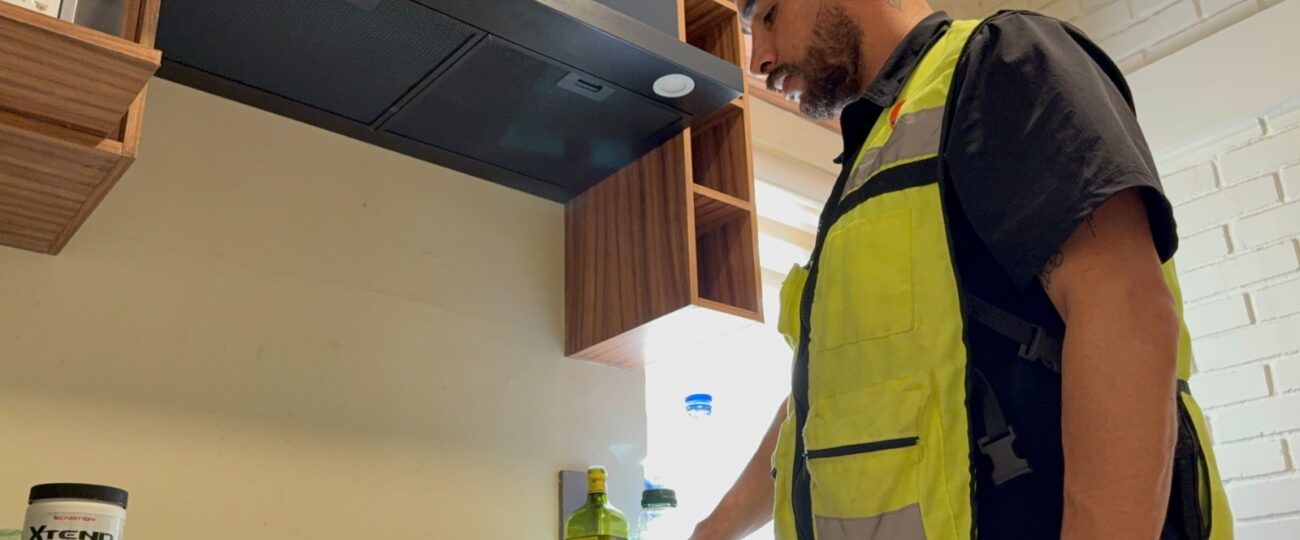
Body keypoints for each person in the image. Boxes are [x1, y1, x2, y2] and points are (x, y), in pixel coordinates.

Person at [689, 1, 1234, 539]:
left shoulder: (999, 60)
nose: (758, 58)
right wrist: (712, 531)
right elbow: (823, 402)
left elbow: (1124, 308)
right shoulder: (871, 164)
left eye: (768, 15)